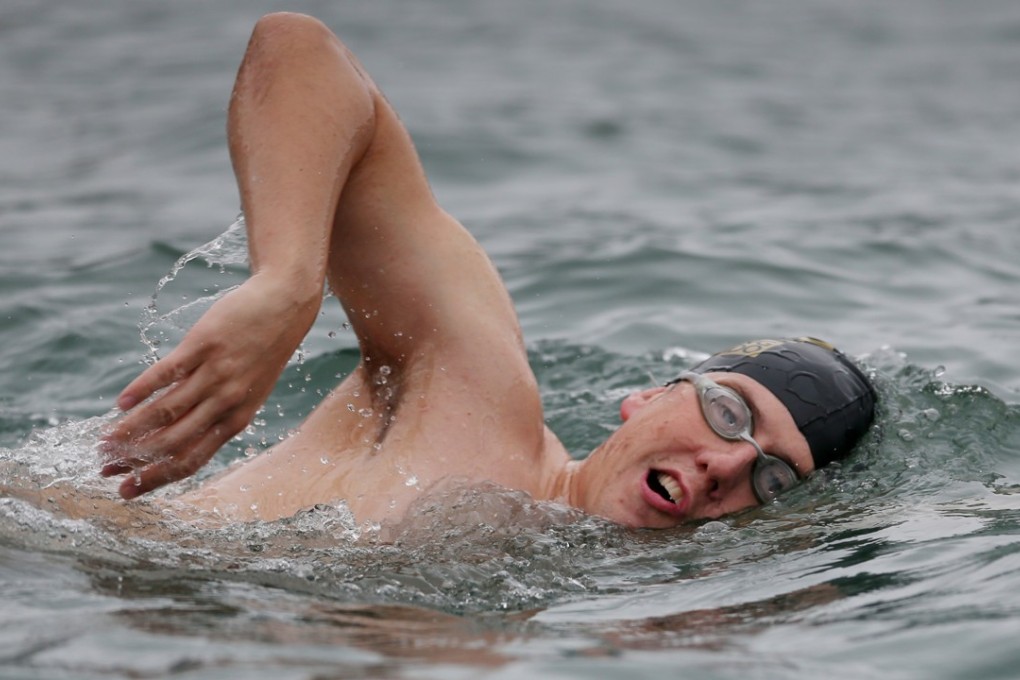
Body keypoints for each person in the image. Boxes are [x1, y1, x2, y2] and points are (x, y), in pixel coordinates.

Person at [100, 12, 875, 529]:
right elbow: (301, 51)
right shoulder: (477, 395)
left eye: (773, 478)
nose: (727, 465)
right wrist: (286, 284)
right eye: (730, 414)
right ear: (645, 399)